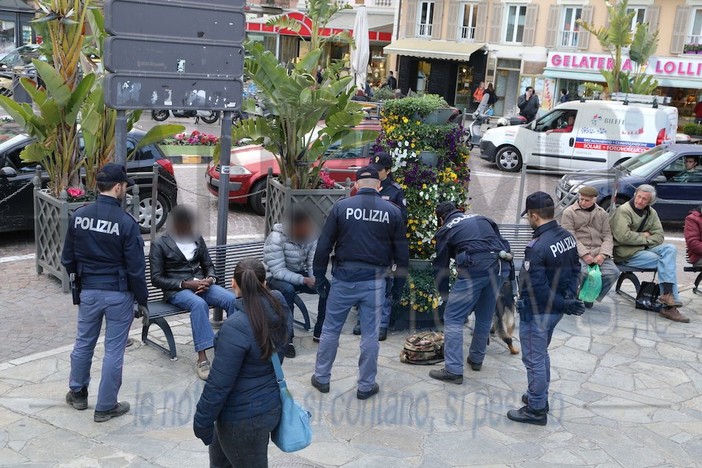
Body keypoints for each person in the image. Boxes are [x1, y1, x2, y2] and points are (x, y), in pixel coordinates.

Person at [311, 166, 408, 400]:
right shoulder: (392, 212)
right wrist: (398, 287)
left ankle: (322, 377)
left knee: (331, 329)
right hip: (375, 282)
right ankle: (366, 385)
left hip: (344, 279)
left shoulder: (341, 208)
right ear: (378, 185)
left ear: (355, 185)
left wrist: (320, 276)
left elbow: (324, 245)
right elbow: (402, 255)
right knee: (370, 335)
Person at [62, 163, 149, 423]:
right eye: (125, 186)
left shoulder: (80, 215)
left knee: (83, 342)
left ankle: (77, 392)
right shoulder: (126, 222)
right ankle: (106, 406)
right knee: (113, 350)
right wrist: (142, 300)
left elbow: (67, 258)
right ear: (119, 187)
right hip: (118, 294)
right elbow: (136, 269)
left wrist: (81, 277)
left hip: (88, 291)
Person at [193, 258, 289, 467]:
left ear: (233, 283)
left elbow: (219, 384)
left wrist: (202, 421)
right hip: (267, 406)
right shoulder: (278, 305)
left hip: (243, 418)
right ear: (264, 282)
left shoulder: (236, 326)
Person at [507, 192, 582, 426]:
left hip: (538, 311)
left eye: (529, 216)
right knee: (541, 355)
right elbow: (575, 270)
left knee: (534, 360)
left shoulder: (537, 247)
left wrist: (563, 302)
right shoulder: (567, 237)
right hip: (555, 311)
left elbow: (536, 288)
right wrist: (567, 300)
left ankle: (536, 408)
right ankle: (539, 397)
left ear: (534, 215)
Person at [149, 205, 237, 380]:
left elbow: (209, 266)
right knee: (198, 304)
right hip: (177, 290)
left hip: (202, 286)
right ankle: (202, 358)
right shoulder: (159, 243)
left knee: (232, 299)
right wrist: (186, 284)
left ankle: (231, 345)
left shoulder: (197, 238)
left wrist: (209, 280)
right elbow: (156, 278)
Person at [428, 202, 511, 384]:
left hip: (475, 269)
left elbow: (441, 267)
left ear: (441, 218)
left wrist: (445, 296)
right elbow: (503, 243)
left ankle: (453, 370)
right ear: (459, 211)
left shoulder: (445, 229)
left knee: (453, 318)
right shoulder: (482, 218)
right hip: (499, 268)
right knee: (484, 315)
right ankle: (476, 359)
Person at [610, 185, 689, 323]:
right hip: (625, 254)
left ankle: (667, 296)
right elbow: (622, 237)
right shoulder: (624, 211)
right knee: (665, 261)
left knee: (670, 249)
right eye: (638, 196)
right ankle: (670, 305)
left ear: (650, 201)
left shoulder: (651, 213)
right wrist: (644, 236)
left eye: (644, 199)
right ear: (635, 194)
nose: (640, 201)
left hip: (643, 251)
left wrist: (638, 239)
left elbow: (659, 236)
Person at [352, 152, 408, 339]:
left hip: (386, 247)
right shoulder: (364, 187)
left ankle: (382, 324)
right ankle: (362, 321)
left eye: (379, 170)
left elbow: (402, 221)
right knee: (362, 283)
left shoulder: (395, 191)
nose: (375, 173)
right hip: (364, 244)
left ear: (388, 170)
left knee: (385, 286)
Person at [264, 207, 326, 354]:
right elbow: (278, 271)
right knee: (287, 290)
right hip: (274, 276)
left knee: (326, 287)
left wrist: (315, 278)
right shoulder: (276, 238)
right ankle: (287, 338)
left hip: (298, 273)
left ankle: (320, 331)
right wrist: (304, 280)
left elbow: (312, 263)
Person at [560, 186, 620, 308]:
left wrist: (603, 255)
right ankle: (575, 296)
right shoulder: (569, 212)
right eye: (581, 199)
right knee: (582, 272)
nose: (583, 202)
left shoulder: (602, 213)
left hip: (598, 252)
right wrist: (585, 254)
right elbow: (570, 236)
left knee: (613, 272)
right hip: (577, 253)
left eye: (587, 200)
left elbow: (607, 236)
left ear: (594, 200)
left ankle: (592, 295)